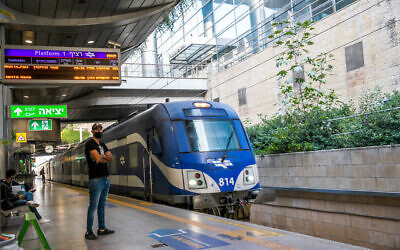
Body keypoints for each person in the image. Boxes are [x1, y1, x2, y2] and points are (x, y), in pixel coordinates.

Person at [84, 123, 115, 240]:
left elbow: (110, 158)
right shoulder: (90, 144)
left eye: (100, 129)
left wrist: (102, 158)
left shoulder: (102, 144)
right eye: (97, 129)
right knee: (93, 206)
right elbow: (97, 158)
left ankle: (101, 229)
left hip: (105, 178)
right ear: (92, 131)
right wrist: (102, 158)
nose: (99, 130)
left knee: (102, 205)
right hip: (95, 179)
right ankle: (88, 231)